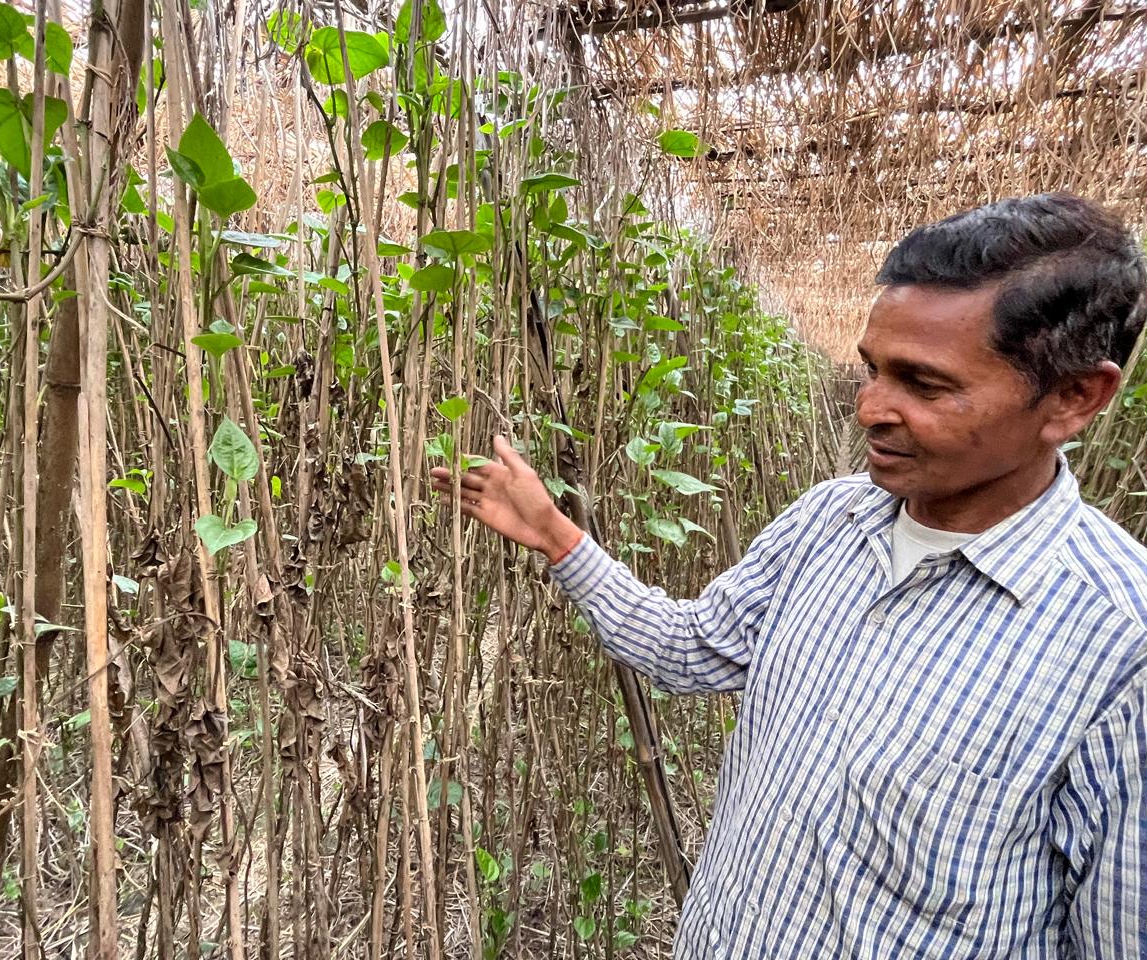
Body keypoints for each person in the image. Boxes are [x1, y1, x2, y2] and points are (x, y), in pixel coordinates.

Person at [431, 193, 1147, 958]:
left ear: (1075, 398)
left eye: (924, 385)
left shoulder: (1121, 649)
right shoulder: (827, 522)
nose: (870, 407)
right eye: (872, 370)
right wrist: (555, 535)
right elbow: (691, 649)